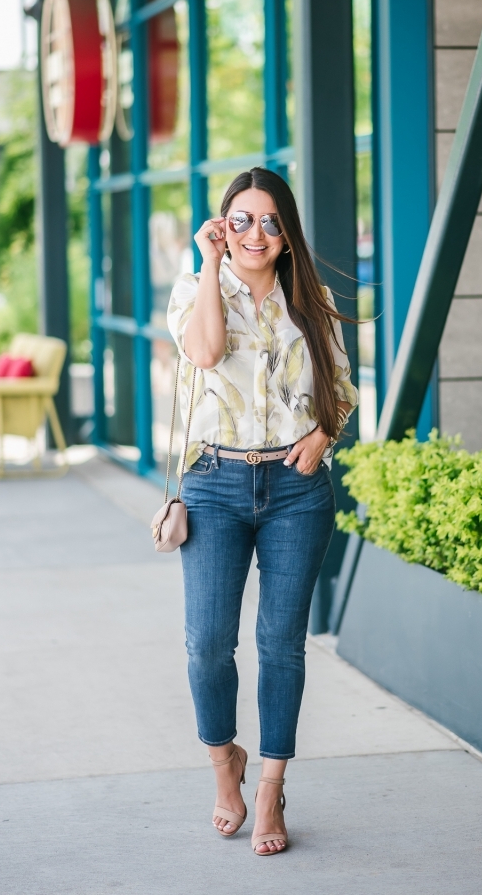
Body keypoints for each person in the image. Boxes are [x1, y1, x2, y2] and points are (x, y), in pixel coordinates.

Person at [167, 167, 358, 856]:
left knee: (282, 644)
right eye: (241, 219)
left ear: (286, 232)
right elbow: (206, 352)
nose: (256, 233)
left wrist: (323, 435)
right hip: (214, 484)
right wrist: (209, 263)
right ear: (223, 226)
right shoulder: (193, 290)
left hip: (296, 490)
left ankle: (272, 787)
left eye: (270, 221)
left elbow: (342, 388)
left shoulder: (312, 298)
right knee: (208, 643)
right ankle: (226, 763)